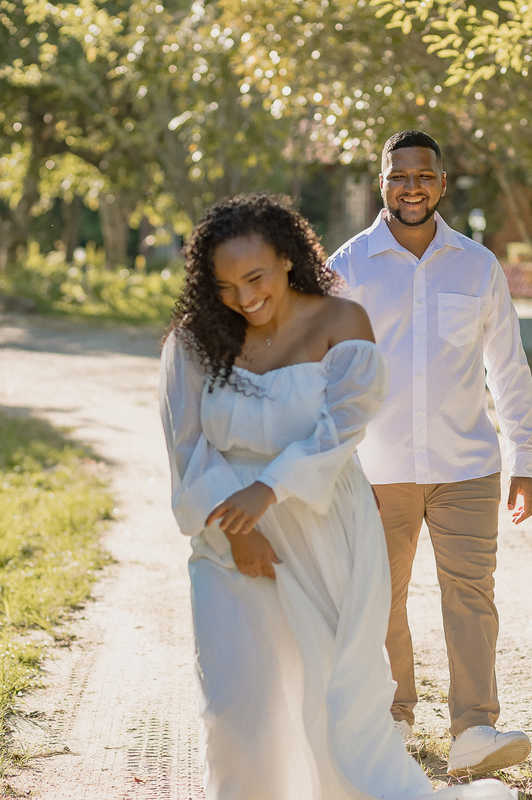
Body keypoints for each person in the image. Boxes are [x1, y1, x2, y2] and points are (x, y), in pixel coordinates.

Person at [159, 194, 513, 800]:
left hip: (326, 527)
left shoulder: (342, 321)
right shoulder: (192, 343)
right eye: (225, 286)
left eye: (255, 278)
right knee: (234, 709)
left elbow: (343, 424)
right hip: (227, 532)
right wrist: (241, 531)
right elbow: (187, 450)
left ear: (286, 259)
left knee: (332, 704)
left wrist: (271, 488)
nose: (244, 297)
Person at [327, 131, 532, 778]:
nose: (411, 188)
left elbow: (508, 366)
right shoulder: (349, 266)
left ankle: (474, 729)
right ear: (382, 183)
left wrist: (524, 458)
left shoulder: (477, 265)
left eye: (423, 176)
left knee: (471, 597)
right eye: (399, 176)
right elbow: (325, 368)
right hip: (377, 468)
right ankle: (389, 716)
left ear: (442, 184)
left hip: (466, 467)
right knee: (378, 599)